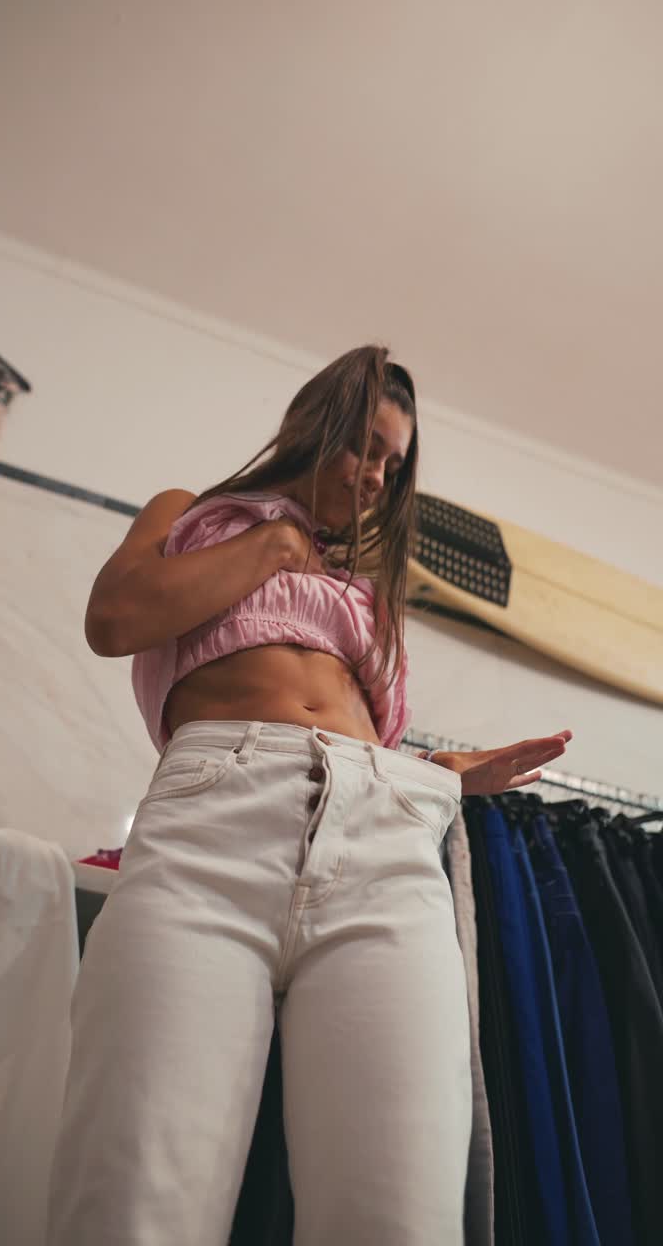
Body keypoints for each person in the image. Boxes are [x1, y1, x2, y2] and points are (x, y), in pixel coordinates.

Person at [46, 344, 572, 1245]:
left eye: (393, 465)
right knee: (134, 1195)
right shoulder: (195, 517)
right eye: (365, 446)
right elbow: (115, 620)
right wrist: (277, 543)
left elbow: (353, 748)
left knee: (399, 1215)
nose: (375, 478)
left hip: (386, 842)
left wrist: (447, 776)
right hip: (216, 821)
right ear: (310, 423)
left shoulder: (365, 593)